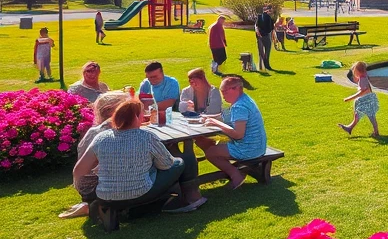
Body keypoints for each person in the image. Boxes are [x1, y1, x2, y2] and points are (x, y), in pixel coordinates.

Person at [73, 98, 205, 212]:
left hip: (105, 197)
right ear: (137, 117)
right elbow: (166, 165)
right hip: (140, 193)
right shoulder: (147, 137)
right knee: (178, 163)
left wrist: (91, 189)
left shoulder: (101, 138)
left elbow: (79, 171)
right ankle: (188, 199)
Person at [59, 91, 128, 219]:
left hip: (83, 186)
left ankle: (89, 204)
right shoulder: (111, 132)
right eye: (125, 108)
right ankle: (95, 207)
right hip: (97, 186)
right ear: (110, 111)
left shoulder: (94, 130)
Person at [198, 76, 268, 188]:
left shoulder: (239, 107)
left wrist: (216, 123)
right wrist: (209, 117)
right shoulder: (244, 99)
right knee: (206, 143)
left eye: (225, 91)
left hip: (249, 149)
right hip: (259, 146)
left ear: (236, 89)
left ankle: (236, 175)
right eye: (221, 91)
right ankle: (234, 170)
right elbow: (227, 117)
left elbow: (238, 135)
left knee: (210, 153)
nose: (223, 95)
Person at [339, 61, 380, 137]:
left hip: (366, 100)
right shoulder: (364, 77)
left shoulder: (362, 79)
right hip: (366, 99)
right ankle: (350, 128)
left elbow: (363, 90)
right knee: (358, 115)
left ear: (357, 70)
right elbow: (367, 89)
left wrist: (350, 98)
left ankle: (376, 132)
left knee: (370, 116)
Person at [254, 4, 275, 71]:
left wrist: (257, 31)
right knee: (267, 50)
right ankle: (266, 64)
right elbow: (270, 29)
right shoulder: (267, 17)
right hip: (265, 35)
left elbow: (256, 25)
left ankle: (263, 64)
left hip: (260, 35)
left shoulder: (260, 16)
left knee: (261, 51)